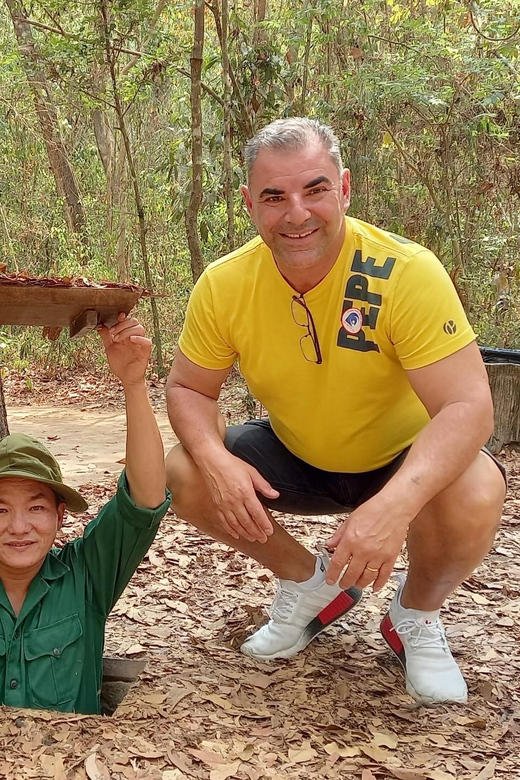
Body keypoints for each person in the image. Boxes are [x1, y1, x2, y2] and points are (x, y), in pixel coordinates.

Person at [165, 118, 506, 706]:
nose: (296, 213)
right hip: (297, 451)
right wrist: (214, 458)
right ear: (249, 203)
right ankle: (310, 583)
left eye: (315, 190)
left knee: (478, 486)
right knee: (184, 471)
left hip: (399, 459)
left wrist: (394, 507)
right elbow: (189, 388)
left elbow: (469, 407)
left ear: (344, 189)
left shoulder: (406, 271)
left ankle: (415, 615)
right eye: (274, 197)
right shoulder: (224, 285)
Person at [0, 314, 169, 714]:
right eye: (1, 509)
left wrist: (133, 383)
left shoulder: (86, 576)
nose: (19, 527)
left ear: (60, 516)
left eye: (36, 507)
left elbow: (145, 498)